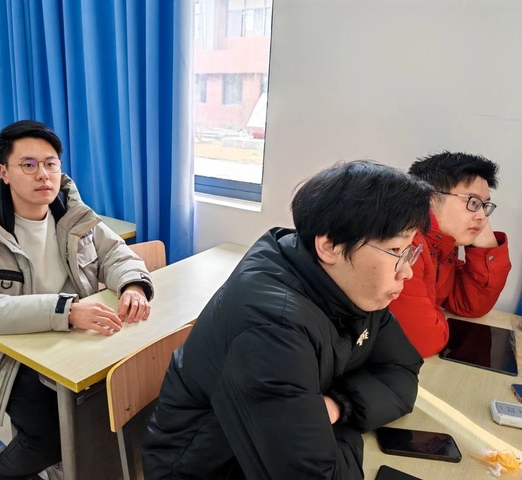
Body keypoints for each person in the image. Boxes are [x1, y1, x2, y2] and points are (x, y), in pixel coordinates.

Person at [143, 160, 433, 479]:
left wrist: (339, 404)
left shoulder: (357, 289)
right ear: (330, 246)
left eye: (409, 251)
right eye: (396, 250)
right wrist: (336, 427)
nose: (407, 271)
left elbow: (402, 370)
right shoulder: (270, 327)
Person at [0, 120, 154, 480]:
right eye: (28, 164)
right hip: (6, 356)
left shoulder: (74, 216)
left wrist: (132, 285)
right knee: (50, 438)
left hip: (69, 341)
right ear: (4, 172)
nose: (42, 174)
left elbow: (116, 254)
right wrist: (67, 312)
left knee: (128, 399)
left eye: (50, 163)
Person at [389, 152, 511, 358]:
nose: (482, 216)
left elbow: (470, 305)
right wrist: (435, 315)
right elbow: (423, 342)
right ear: (429, 199)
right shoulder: (404, 245)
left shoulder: (442, 244)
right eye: (473, 202)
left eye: (484, 206)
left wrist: (486, 247)